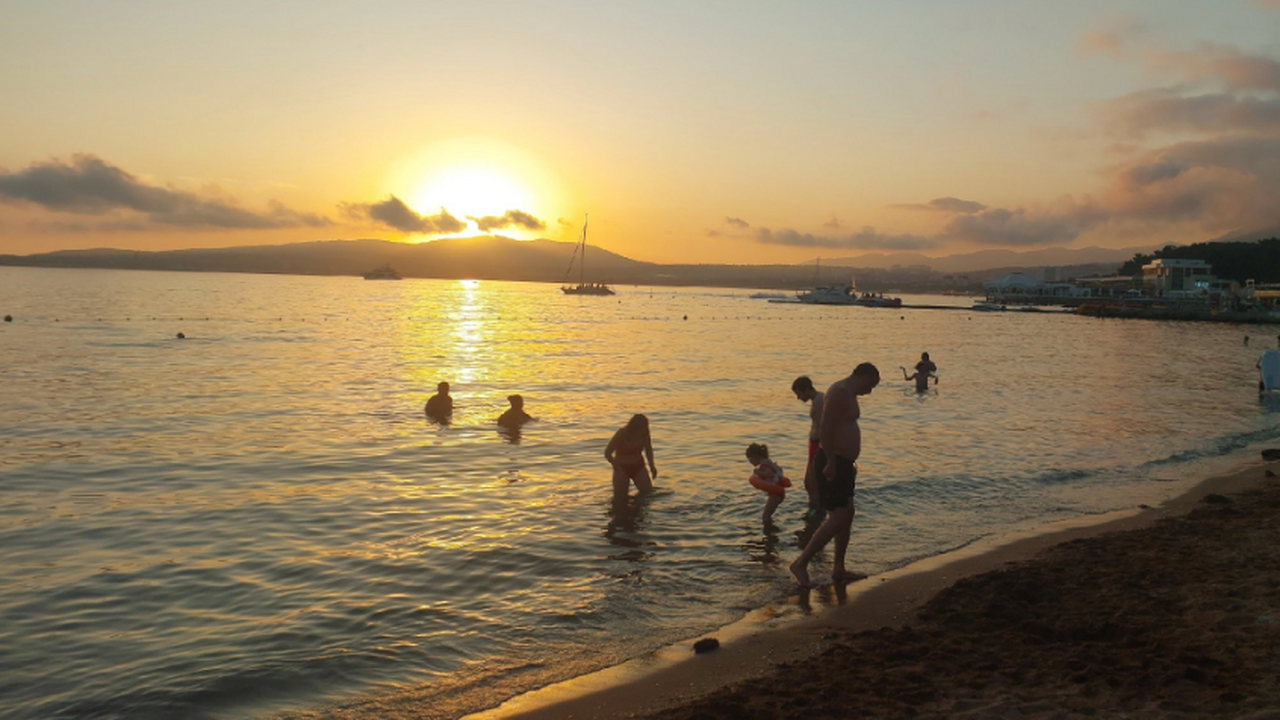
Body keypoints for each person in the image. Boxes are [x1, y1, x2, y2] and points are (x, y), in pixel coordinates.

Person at [789, 362, 880, 589]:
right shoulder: (840, 392)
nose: (870, 391)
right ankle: (801, 563)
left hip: (844, 462)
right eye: (871, 385)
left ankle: (838, 568)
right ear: (865, 376)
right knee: (839, 516)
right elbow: (826, 428)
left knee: (847, 514)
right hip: (834, 460)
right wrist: (830, 460)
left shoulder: (847, 393)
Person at [791, 376, 825, 516]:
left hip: (818, 443)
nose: (798, 398)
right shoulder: (818, 399)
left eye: (798, 393)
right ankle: (814, 507)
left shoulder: (819, 401)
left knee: (813, 481)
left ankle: (818, 511)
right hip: (814, 443)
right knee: (809, 481)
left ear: (806, 389)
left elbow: (824, 426)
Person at [605, 414, 657, 497]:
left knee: (648, 494)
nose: (643, 431)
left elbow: (648, 450)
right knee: (620, 497)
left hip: (638, 466)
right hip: (621, 468)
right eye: (641, 429)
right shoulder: (622, 434)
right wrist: (617, 468)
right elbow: (607, 453)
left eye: (645, 428)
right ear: (634, 427)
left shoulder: (645, 434)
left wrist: (652, 466)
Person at [746, 442, 789, 525]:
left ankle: (770, 534)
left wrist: (759, 473)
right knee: (768, 514)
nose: (751, 463)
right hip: (777, 492)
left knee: (766, 516)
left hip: (776, 493)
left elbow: (770, 474)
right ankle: (771, 531)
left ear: (755, 457)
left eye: (750, 460)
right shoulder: (767, 462)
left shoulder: (764, 464)